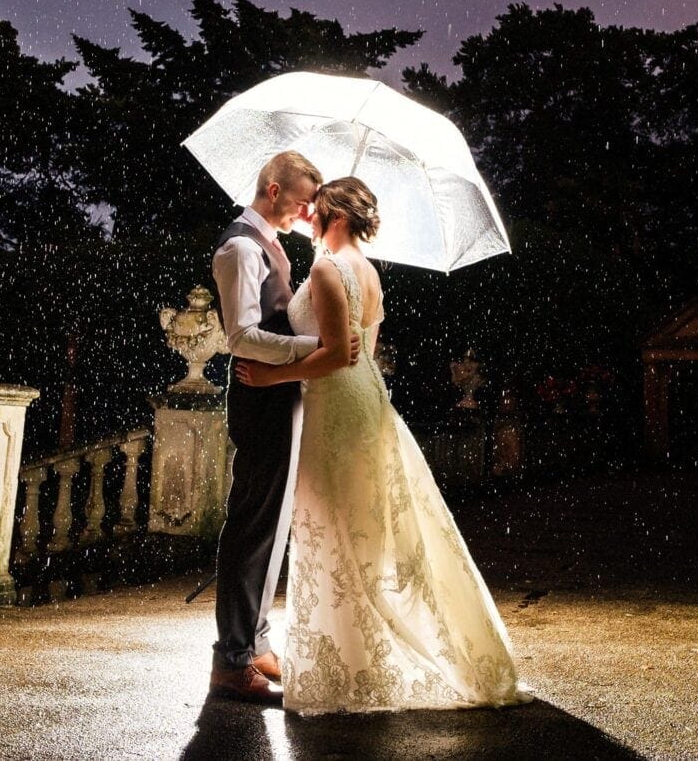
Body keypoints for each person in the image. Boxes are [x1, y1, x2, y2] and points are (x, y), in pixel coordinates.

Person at [237, 177, 529, 714]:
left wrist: (270, 378)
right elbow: (365, 351)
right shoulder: (367, 271)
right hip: (366, 402)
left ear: (338, 216)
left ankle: (351, 665)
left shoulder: (327, 268)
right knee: (365, 530)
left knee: (336, 526)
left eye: (317, 210)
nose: (309, 217)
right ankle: (359, 656)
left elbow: (336, 356)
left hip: (334, 406)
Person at [207, 151, 360, 704]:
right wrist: (315, 348)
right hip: (258, 396)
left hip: (283, 394)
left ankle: (255, 641)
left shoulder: (270, 244)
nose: (306, 211)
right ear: (272, 191)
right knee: (252, 524)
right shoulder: (240, 247)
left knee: (273, 526)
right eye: (300, 201)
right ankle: (231, 662)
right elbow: (243, 336)